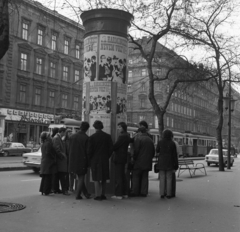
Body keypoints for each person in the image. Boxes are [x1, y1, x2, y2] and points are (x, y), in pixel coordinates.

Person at [88, 120, 113, 201]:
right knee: (104, 177)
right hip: (104, 159)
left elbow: (89, 150)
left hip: (95, 160)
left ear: (95, 127)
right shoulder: (107, 136)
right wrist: (107, 156)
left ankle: (97, 195)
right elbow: (111, 149)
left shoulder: (92, 137)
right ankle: (103, 194)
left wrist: (91, 158)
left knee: (96, 177)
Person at [69, 122, 91, 200]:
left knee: (79, 176)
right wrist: (89, 163)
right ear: (87, 129)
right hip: (82, 160)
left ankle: (86, 193)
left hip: (73, 160)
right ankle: (78, 195)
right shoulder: (86, 138)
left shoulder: (72, 136)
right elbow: (88, 152)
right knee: (81, 177)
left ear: (80, 127)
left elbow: (69, 149)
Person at [131, 127, 155, 197]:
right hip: (147, 162)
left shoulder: (139, 139)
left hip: (139, 161)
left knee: (136, 176)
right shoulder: (150, 140)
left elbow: (136, 150)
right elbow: (153, 152)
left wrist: (134, 158)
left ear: (140, 132)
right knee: (145, 177)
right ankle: (144, 192)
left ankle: (135, 191)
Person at [156, 129, 179, 199]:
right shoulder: (172, 143)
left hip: (161, 162)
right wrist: (176, 165)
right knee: (169, 178)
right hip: (170, 162)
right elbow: (174, 155)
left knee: (162, 178)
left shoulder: (160, 142)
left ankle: (162, 194)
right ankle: (169, 194)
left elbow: (157, 151)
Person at [111, 122, 130, 200]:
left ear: (122, 128)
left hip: (118, 157)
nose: (118, 128)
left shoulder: (122, 136)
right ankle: (125, 193)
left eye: (119, 127)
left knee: (118, 176)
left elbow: (115, 146)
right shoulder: (127, 135)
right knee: (122, 176)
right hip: (123, 157)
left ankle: (118, 194)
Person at [52, 127, 70, 195]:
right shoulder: (57, 138)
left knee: (61, 176)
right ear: (62, 132)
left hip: (60, 161)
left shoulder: (59, 138)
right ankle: (64, 191)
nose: (65, 134)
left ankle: (60, 190)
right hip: (60, 161)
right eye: (65, 132)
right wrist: (63, 156)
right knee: (63, 176)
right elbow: (57, 149)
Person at [39, 131, 57, 196]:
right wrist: (53, 157)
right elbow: (48, 152)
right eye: (49, 136)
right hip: (48, 162)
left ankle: (43, 190)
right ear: (47, 137)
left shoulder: (43, 143)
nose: (51, 137)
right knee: (48, 177)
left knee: (45, 177)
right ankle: (46, 190)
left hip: (44, 161)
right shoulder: (48, 143)